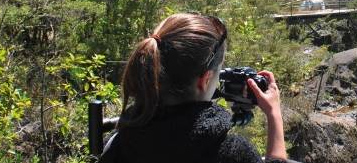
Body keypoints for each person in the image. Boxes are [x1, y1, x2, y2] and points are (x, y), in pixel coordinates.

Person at [100, 13, 288, 163]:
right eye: (219, 70)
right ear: (205, 80)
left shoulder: (121, 143)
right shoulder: (231, 152)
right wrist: (274, 115)